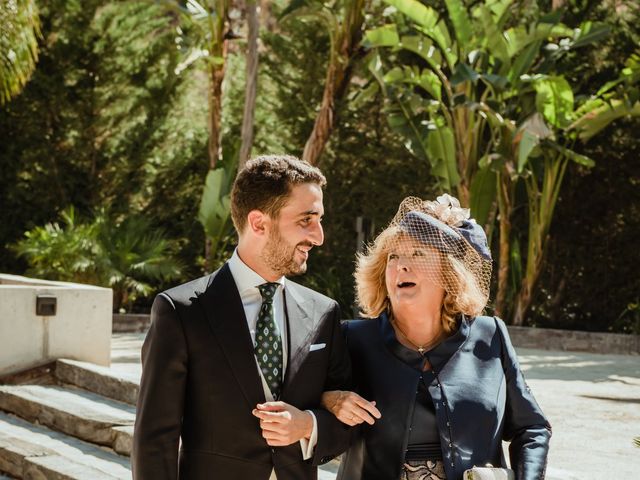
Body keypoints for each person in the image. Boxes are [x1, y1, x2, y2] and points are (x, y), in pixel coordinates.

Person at [132, 155, 351, 480]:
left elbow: (348, 418)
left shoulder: (324, 313)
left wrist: (310, 425)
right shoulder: (181, 311)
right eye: (307, 220)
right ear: (259, 223)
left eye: (319, 220)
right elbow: (155, 439)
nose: (319, 236)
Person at [321, 195, 551, 480]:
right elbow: (308, 415)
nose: (401, 265)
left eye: (418, 254)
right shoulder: (351, 338)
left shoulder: (491, 335)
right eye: (393, 256)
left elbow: (531, 429)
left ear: (448, 272)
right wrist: (328, 399)